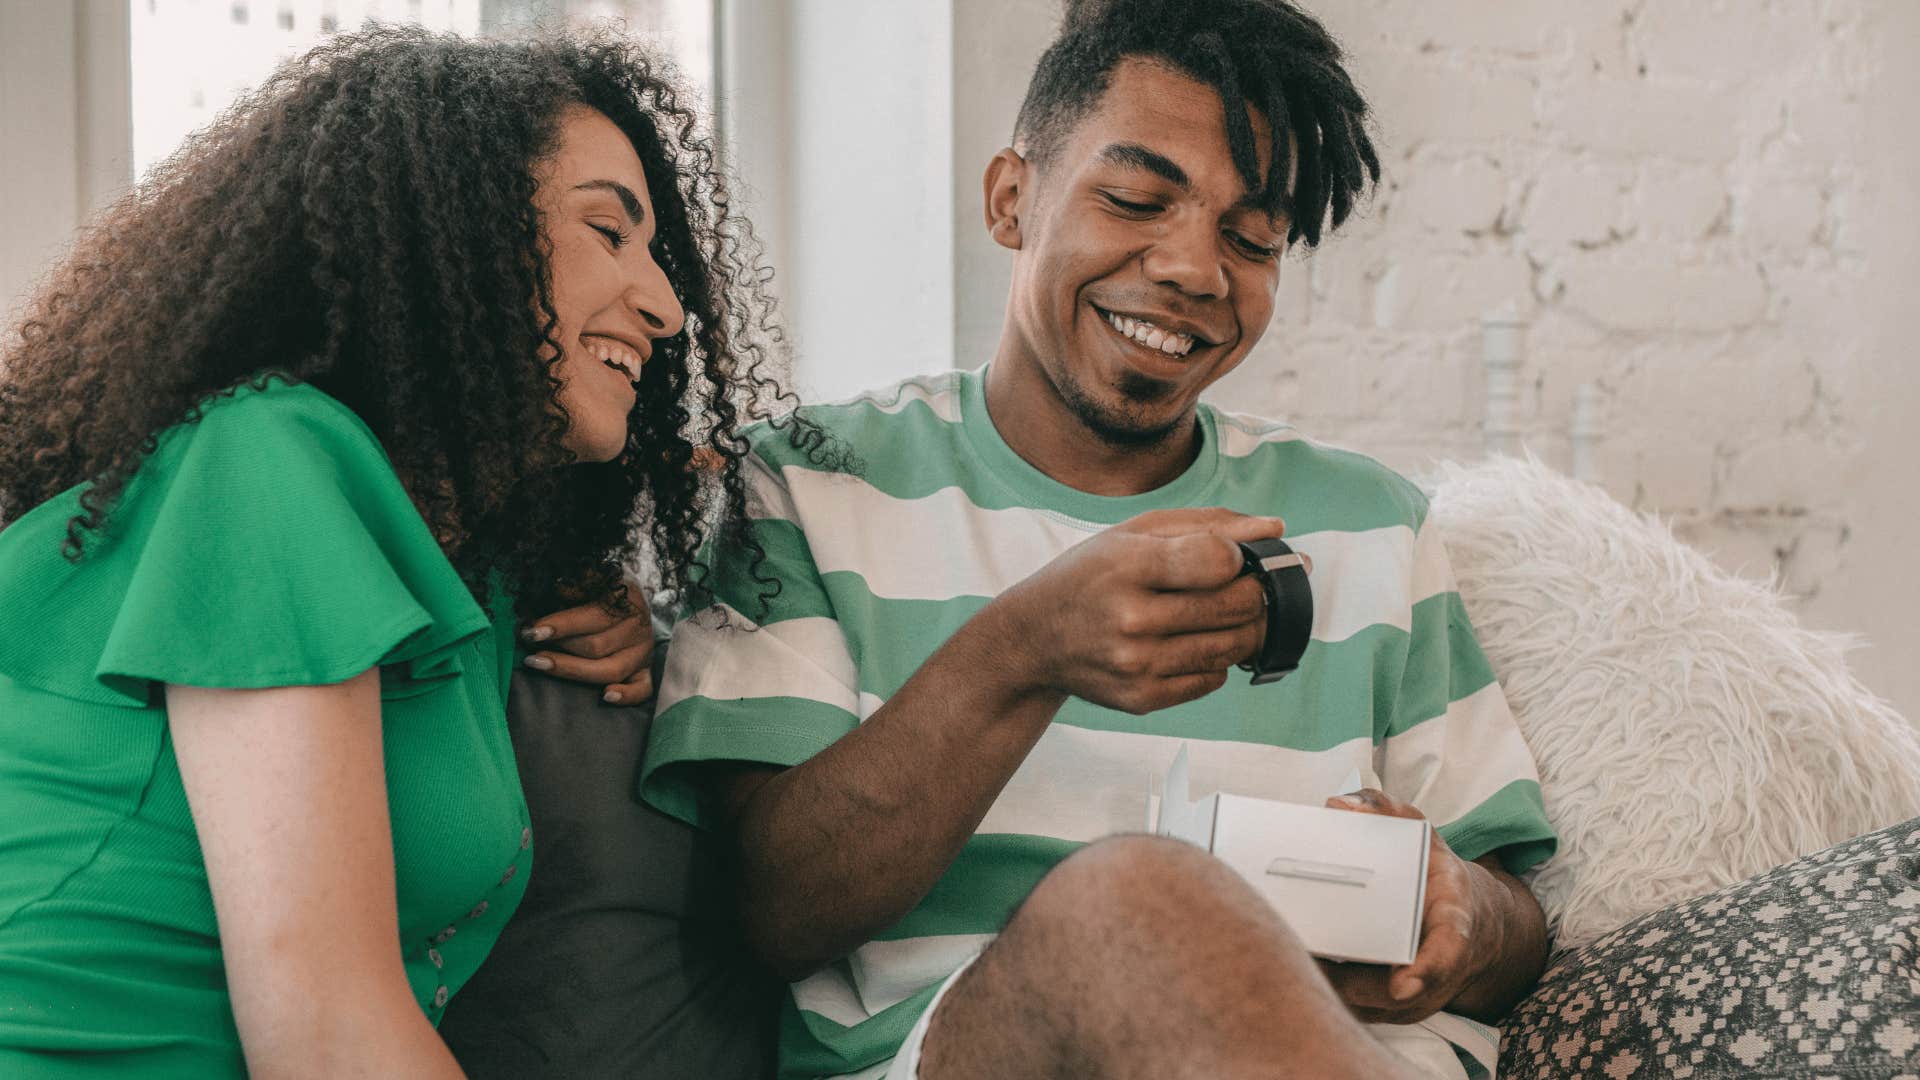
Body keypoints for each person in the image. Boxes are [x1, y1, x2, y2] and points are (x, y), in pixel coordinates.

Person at [640, 1, 1558, 1077]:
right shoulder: (806, 480)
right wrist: (1021, 655)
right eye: (1134, 200)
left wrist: (1462, 921)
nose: (1193, 269)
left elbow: (1519, 925)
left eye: (1252, 238)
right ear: (1010, 198)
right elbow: (770, 913)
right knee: (1136, 903)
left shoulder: (1371, 523)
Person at [0, 27, 813, 1078]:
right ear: (456, 235)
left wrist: (603, 600)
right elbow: (328, 1033)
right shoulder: (270, 456)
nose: (663, 307)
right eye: (609, 232)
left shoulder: (464, 576)